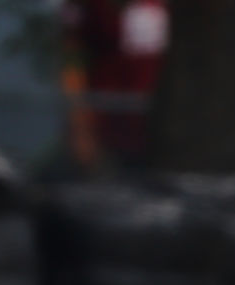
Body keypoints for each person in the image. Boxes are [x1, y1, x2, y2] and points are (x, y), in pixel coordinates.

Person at [61, 0, 168, 172]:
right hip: (106, 127)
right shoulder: (91, 8)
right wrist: (80, 121)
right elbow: (71, 57)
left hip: (162, 128)